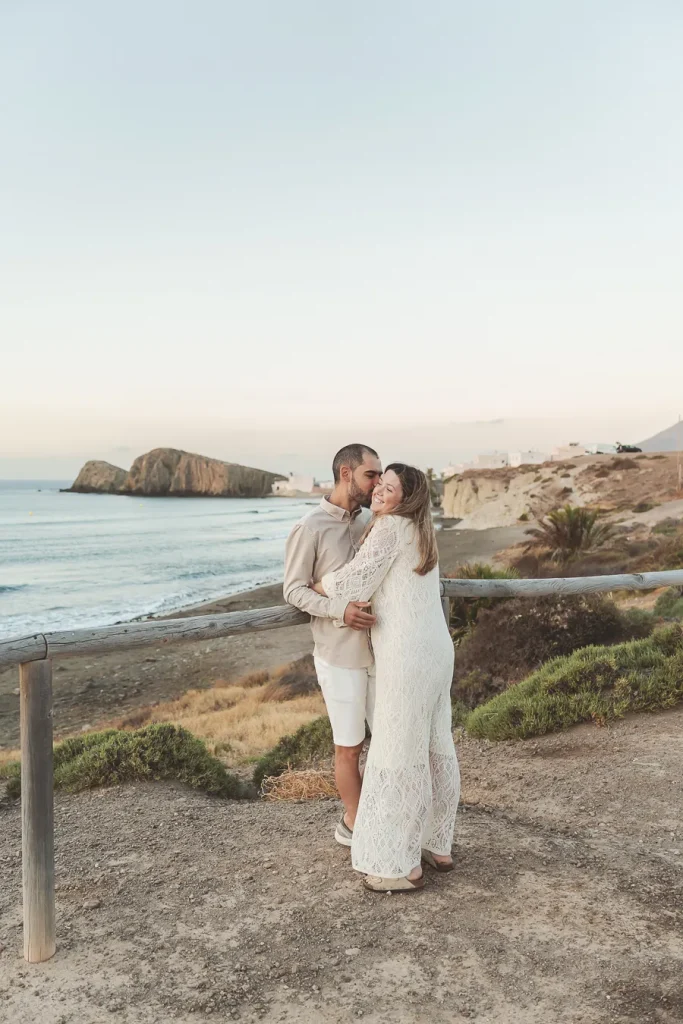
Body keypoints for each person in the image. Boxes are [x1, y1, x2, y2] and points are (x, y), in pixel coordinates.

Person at [310, 464, 459, 893]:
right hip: (436, 652)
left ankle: (397, 865)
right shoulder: (421, 529)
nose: (379, 491)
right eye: (380, 484)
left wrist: (319, 585)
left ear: (404, 499)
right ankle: (436, 845)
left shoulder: (390, 527)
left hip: (407, 656)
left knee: (396, 750)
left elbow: (355, 581)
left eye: (389, 488)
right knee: (435, 743)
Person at [283, 443, 382, 846]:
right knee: (349, 746)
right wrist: (339, 611)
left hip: (381, 650)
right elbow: (293, 590)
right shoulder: (309, 527)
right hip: (338, 655)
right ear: (346, 473)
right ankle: (354, 824)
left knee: (388, 738)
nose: (377, 483)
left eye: (379, 476)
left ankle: (381, 814)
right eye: (370, 475)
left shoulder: (372, 521)